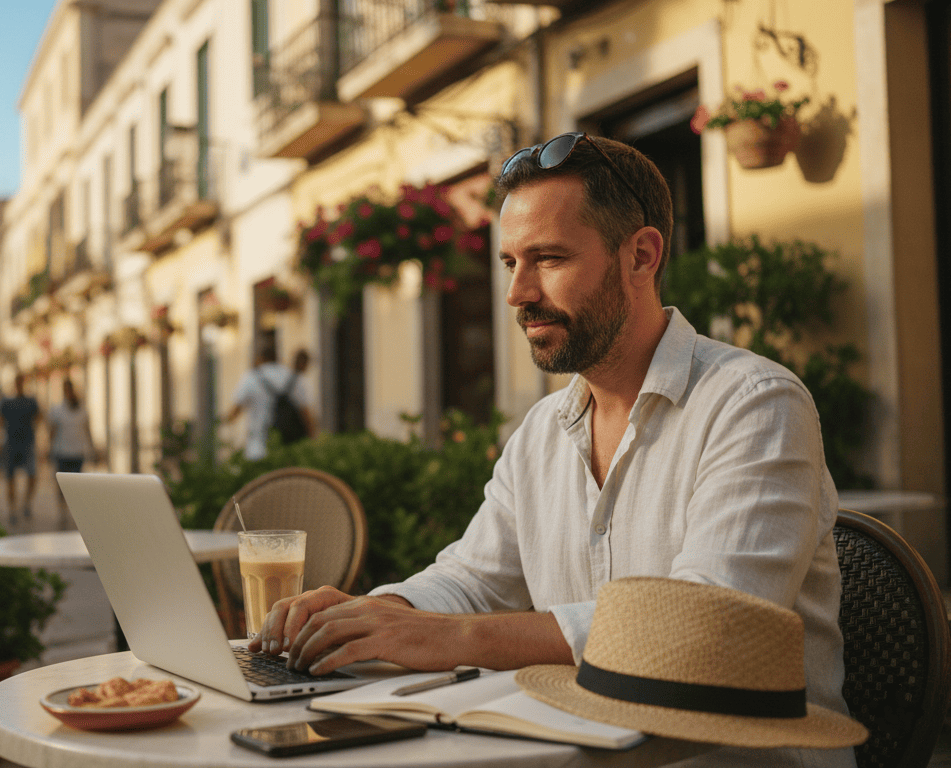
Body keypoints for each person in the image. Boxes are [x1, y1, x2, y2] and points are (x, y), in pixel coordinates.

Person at [253, 133, 853, 768]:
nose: (518, 293)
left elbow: (703, 628)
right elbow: (474, 578)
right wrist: (377, 614)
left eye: (549, 259)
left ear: (642, 257)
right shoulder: (542, 431)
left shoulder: (754, 403)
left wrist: (451, 636)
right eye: (512, 262)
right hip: (576, 747)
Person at [224, 334, 315, 460]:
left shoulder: (251, 377)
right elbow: (306, 414)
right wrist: (313, 440)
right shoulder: (294, 377)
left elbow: (234, 412)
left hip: (258, 445)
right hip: (290, 446)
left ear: (260, 359)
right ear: (278, 358)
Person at [47, 378, 96, 529]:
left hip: (77, 452)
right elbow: (52, 431)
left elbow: (87, 430)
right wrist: (50, 449)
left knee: (76, 484)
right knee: (62, 485)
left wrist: (92, 448)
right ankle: (63, 512)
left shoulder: (82, 409)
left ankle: (75, 512)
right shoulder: (57, 410)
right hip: (62, 452)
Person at [0, 373, 41, 523]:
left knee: (32, 476)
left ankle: (26, 503)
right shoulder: (6, 402)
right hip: (11, 444)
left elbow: (39, 417)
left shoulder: (31, 402)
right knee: (10, 479)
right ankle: (12, 509)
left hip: (27, 444)